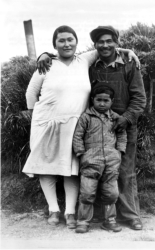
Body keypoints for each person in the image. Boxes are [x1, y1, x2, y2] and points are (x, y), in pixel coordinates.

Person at [23, 25, 139, 228]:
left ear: (76, 42)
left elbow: (108, 48)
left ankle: (69, 213)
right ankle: (53, 210)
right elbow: (30, 94)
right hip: (46, 124)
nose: (67, 43)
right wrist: (36, 118)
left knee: (73, 168)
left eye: (70, 39)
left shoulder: (83, 60)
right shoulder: (46, 65)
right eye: (61, 40)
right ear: (54, 44)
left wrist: (129, 51)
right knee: (46, 168)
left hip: (76, 125)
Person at [89, 26, 146, 230]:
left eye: (109, 41)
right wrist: (45, 54)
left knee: (125, 171)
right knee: (97, 168)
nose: (105, 45)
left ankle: (131, 215)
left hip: (124, 126)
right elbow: (66, 56)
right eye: (100, 42)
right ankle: (99, 215)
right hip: (96, 126)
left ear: (116, 43)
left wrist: (127, 118)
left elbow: (139, 98)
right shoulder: (90, 65)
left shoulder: (129, 63)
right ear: (95, 45)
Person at [73, 84, 127, 233]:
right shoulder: (86, 117)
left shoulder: (116, 118)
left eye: (106, 100)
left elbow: (122, 135)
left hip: (111, 161)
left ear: (112, 101)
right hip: (90, 161)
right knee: (87, 193)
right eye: (98, 100)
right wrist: (81, 153)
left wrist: (119, 152)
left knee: (111, 193)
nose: (102, 103)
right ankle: (83, 221)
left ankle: (109, 221)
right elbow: (78, 135)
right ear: (92, 100)